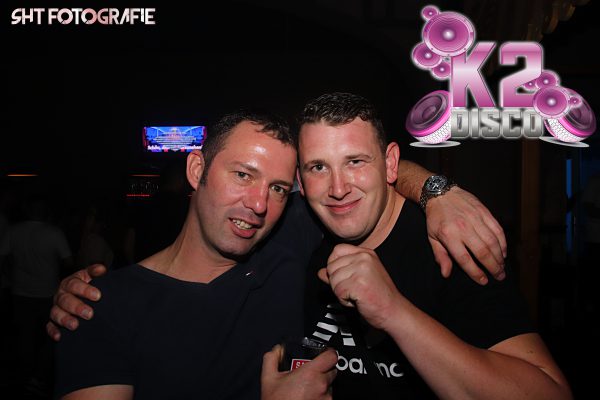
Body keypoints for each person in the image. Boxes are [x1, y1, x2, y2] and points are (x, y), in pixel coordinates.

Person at [51, 107, 508, 399]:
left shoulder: (290, 241)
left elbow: (359, 172)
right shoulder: (100, 306)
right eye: (243, 175)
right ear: (196, 169)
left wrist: (437, 191)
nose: (258, 204)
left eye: (277, 188)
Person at [297, 93, 572, 399]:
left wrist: (394, 311)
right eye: (318, 167)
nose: (338, 189)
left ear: (390, 163)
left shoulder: (450, 243)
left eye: (355, 161)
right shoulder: (303, 236)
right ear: (300, 179)